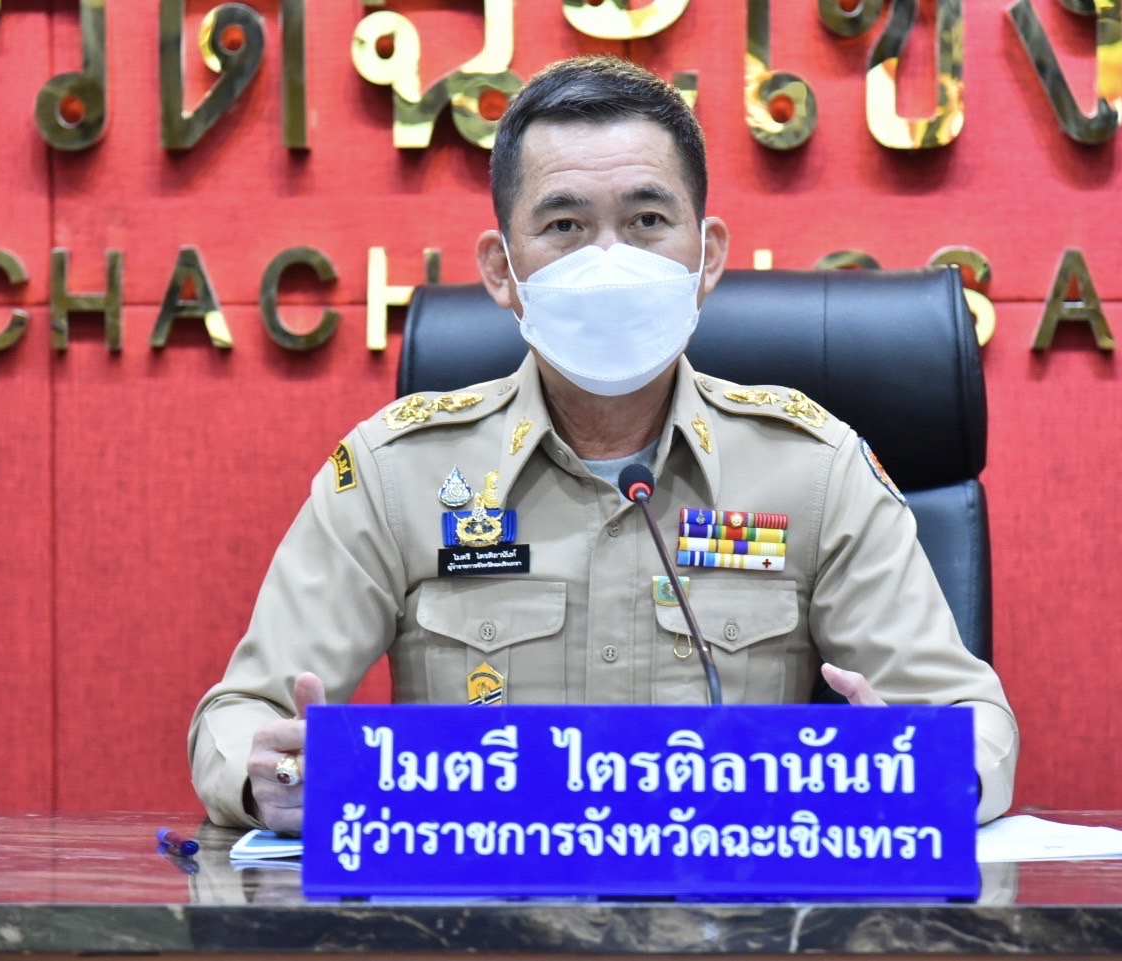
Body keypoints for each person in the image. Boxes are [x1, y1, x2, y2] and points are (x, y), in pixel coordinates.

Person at [188, 55, 1018, 835]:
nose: (610, 259)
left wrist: (931, 772)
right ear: (502, 269)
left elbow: (971, 722)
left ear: (707, 256)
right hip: (480, 914)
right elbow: (239, 717)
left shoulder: (812, 470)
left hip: (733, 913)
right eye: (565, 225)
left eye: (648, 220)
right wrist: (270, 775)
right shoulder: (396, 472)